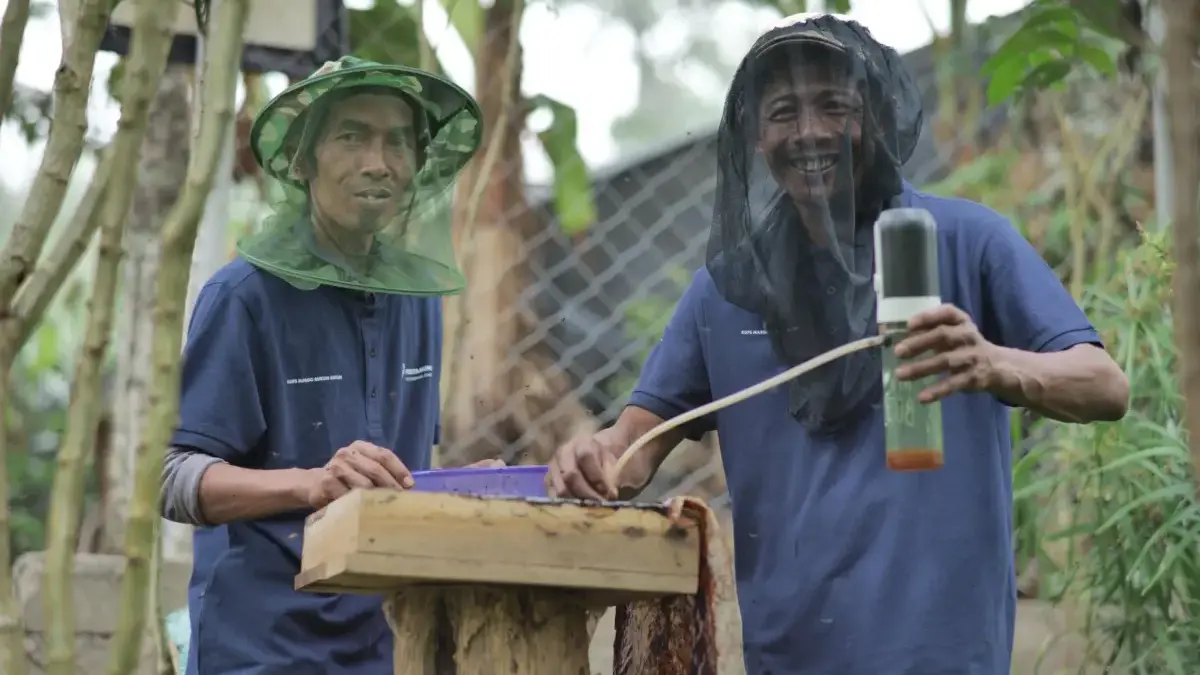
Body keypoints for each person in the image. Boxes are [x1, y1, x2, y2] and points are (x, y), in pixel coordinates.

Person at [545, 13, 1130, 675]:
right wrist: (591, 459)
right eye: (783, 112)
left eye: (834, 105)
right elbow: (631, 449)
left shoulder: (968, 242)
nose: (810, 131)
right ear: (755, 136)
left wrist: (995, 363)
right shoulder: (727, 290)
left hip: (943, 659)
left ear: (876, 117)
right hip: (788, 657)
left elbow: (1104, 385)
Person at [159, 56, 496, 675]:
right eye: (352, 137)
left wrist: (454, 489)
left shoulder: (418, 300)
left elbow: (393, 478)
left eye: (398, 142)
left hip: (388, 642)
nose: (378, 162)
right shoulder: (243, 297)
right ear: (302, 160)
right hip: (262, 648)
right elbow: (172, 478)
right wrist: (310, 484)